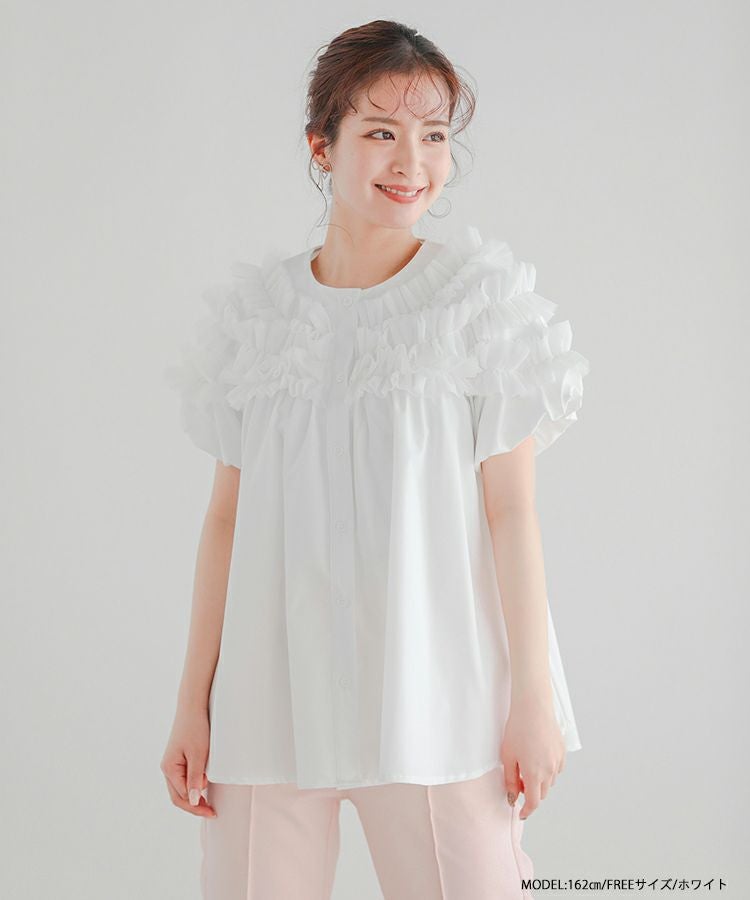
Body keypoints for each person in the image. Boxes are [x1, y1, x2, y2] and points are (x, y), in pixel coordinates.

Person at [161, 19, 590, 900]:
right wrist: (192, 704)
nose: (412, 162)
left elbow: (511, 512)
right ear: (322, 145)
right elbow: (226, 521)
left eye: (433, 135)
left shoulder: (479, 306)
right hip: (270, 703)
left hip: (440, 700)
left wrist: (533, 701)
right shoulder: (260, 318)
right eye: (382, 133)